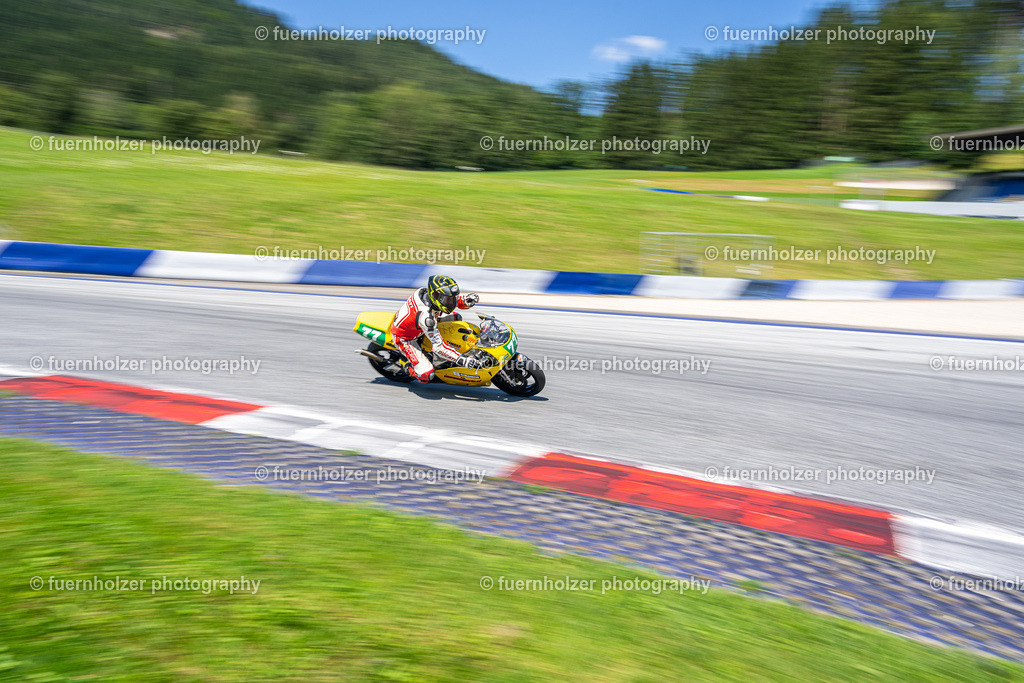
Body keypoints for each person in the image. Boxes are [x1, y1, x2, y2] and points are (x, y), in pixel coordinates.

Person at [390, 275, 481, 383]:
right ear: (435, 296)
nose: (451, 302)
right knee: (427, 375)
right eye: (448, 300)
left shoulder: (426, 293)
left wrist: (465, 302)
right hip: (405, 338)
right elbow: (438, 348)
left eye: (452, 298)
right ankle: (406, 365)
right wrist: (461, 360)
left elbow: (447, 301)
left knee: (457, 318)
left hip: (419, 323)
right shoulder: (427, 318)